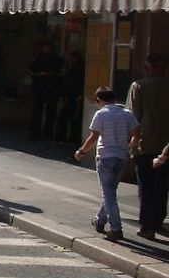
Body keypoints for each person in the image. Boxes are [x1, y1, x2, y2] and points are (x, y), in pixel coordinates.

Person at [74, 86, 140, 242]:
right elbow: (137, 135)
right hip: (121, 157)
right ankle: (100, 220)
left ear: (99, 100)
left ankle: (116, 228)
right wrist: (128, 147)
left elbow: (94, 136)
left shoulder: (101, 114)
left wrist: (81, 151)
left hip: (105, 157)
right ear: (114, 99)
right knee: (110, 191)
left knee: (108, 193)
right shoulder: (127, 113)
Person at [127, 54, 169, 240]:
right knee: (162, 184)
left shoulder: (138, 86)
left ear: (147, 67)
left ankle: (147, 225)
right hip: (166, 144)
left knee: (146, 185)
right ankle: (158, 219)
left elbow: (133, 117)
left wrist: (132, 142)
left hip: (145, 143)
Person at [28, 41, 63, 140]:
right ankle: (36, 132)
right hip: (39, 88)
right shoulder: (38, 59)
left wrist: (51, 74)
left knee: (51, 112)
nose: (46, 51)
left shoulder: (57, 60)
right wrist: (37, 75)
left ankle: (47, 132)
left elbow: (61, 72)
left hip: (52, 88)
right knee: (37, 111)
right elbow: (30, 70)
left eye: (48, 49)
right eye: (45, 49)